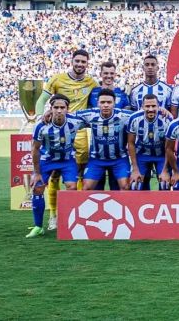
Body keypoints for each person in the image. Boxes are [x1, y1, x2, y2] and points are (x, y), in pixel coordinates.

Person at [35, 48, 97, 231]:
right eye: (77, 61)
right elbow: (40, 101)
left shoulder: (91, 82)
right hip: (57, 131)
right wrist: (41, 117)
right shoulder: (57, 79)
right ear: (72, 61)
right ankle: (53, 215)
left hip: (80, 133)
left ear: (87, 64)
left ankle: (73, 214)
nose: (80, 64)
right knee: (54, 174)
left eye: (83, 62)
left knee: (78, 173)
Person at [26, 94, 85, 238]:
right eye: (56, 107)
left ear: (67, 109)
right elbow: (35, 149)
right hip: (47, 160)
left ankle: (68, 224)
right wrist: (36, 172)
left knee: (71, 187)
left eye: (62, 107)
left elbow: (96, 120)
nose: (59, 110)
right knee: (38, 187)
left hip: (67, 160)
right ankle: (38, 226)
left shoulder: (76, 121)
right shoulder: (41, 126)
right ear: (50, 109)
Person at [75, 89, 134, 191]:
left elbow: (142, 115)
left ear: (114, 103)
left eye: (109, 102)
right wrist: (49, 113)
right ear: (98, 103)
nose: (106, 105)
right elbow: (67, 115)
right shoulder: (91, 114)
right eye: (102, 102)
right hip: (96, 159)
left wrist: (162, 111)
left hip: (119, 159)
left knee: (125, 187)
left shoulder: (124, 115)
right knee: (86, 188)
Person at [88, 61, 130, 191]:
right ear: (100, 74)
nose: (108, 76)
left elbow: (129, 117)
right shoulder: (93, 93)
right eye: (105, 73)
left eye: (111, 73)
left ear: (115, 75)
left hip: (118, 151)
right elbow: (86, 115)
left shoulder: (122, 94)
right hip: (98, 150)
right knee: (96, 190)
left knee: (117, 188)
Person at [127, 94, 172, 191]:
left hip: (161, 156)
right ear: (142, 106)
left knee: (164, 185)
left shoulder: (167, 119)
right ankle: (143, 204)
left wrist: (165, 171)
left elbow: (169, 148)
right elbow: (131, 143)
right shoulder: (134, 119)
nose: (150, 109)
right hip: (142, 154)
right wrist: (135, 169)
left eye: (153, 106)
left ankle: (161, 205)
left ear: (159, 106)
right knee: (135, 185)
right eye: (147, 106)